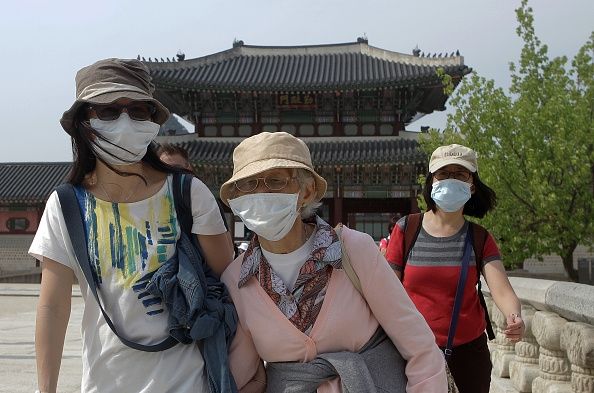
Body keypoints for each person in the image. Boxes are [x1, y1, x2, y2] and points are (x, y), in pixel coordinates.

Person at [29, 58, 235, 393]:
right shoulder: (66, 206)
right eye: (108, 111)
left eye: (139, 111)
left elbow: (230, 284)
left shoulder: (187, 193)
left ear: (153, 121)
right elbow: (53, 306)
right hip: (105, 381)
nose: (125, 121)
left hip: (189, 382)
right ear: (83, 122)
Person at [219, 132, 448, 392]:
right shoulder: (236, 280)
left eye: (275, 181)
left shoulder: (353, 250)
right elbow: (247, 376)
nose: (260, 193)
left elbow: (421, 348)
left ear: (306, 191)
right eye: (248, 185)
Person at [385, 144, 525, 393]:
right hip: (411, 351)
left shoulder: (479, 237)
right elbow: (385, 291)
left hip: (468, 354)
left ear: (472, 184)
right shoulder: (407, 230)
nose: (451, 179)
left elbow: (502, 290)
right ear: (431, 181)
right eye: (443, 173)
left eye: (460, 174)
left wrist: (514, 316)